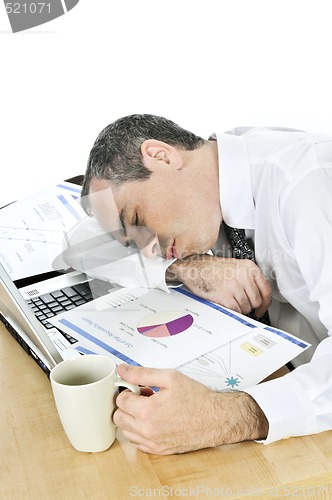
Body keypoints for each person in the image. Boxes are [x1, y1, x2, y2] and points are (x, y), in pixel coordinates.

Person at [79, 114, 332, 455]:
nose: (150, 250)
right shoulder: (220, 172)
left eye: (137, 219)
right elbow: (78, 248)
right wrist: (187, 266)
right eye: (133, 241)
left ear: (161, 156)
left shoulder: (309, 184)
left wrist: (220, 417)